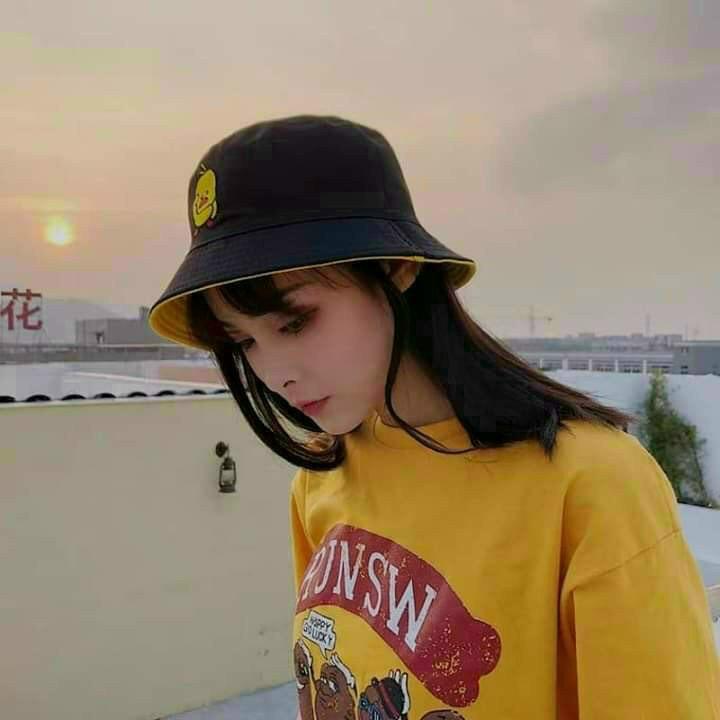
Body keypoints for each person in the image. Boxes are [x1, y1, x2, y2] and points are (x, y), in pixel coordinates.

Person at [148, 114, 720, 719]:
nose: (273, 372)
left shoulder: (590, 484)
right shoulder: (320, 481)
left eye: (295, 322)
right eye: (243, 342)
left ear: (398, 269)